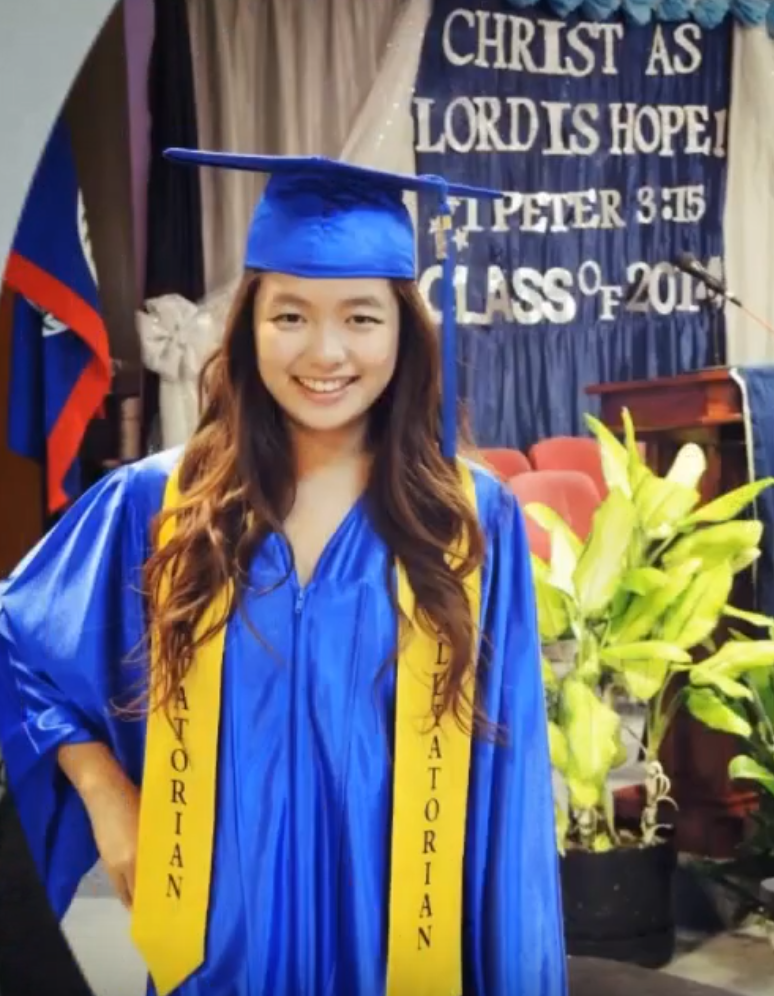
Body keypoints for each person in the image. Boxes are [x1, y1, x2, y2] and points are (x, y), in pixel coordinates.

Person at [0, 152, 567, 996]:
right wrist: (104, 790)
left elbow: (508, 791)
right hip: (226, 948)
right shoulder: (158, 503)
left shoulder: (468, 519)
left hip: (400, 946)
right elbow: (19, 643)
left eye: (363, 319)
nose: (326, 352)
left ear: (406, 332)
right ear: (249, 324)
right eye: (291, 315)